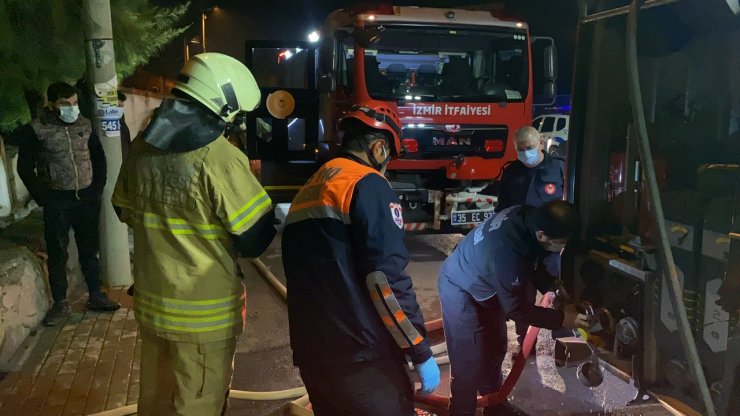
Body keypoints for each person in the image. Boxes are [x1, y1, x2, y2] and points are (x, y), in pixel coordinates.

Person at [112, 53, 276, 416]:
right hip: (203, 320)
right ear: (222, 106)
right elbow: (254, 240)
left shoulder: (142, 148)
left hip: (154, 308)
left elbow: (123, 210)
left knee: (156, 404)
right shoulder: (219, 158)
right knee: (198, 405)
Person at [281, 100, 440, 416]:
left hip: (313, 354)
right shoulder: (367, 184)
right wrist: (419, 349)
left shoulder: (312, 186)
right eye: (389, 157)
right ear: (379, 148)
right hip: (362, 358)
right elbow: (385, 280)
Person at [438, 200, 592, 416]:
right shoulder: (508, 251)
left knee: (495, 347)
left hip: (487, 282)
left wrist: (552, 287)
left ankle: (494, 404)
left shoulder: (530, 217)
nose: (561, 247)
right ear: (541, 235)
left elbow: (532, 259)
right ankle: (461, 411)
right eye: (560, 243)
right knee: (468, 361)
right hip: (461, 287)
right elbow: (517, 309)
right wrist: (561, 319)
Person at [17, 81, 120, 327]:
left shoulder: (84, 125)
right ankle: (60, 303)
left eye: (74, 103)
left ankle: (95, 295)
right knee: (57, 253)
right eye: (65, 104)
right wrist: (43, 196)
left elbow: (98, 158)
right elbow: (24, 167)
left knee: (89, 249)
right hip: (57, 200)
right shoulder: (37, 129)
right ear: (52, 104)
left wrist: (96, 189)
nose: (71, 109)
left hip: (85, 198)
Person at [496, 125, 566, 348]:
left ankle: (564, 343)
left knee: (560, 294)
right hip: (522, 248)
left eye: (531, 147)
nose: (527, 153)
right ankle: (525, 343)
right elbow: (503, 210)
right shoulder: (511, 173)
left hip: (552, 249)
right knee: (522, 299)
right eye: (522, 149)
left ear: (541, 143)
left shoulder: (559, 169)